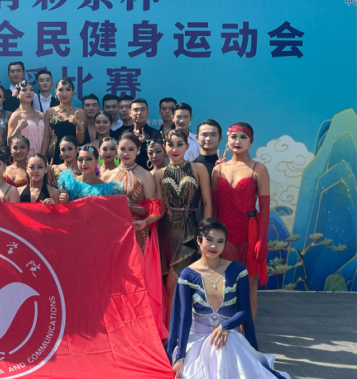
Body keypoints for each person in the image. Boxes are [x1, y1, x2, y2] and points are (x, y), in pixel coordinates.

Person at [146, 218, 301, 379]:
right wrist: (180, 356)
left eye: (220, 241)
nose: (214, 246)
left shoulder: (237, 270)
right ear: (199, 240)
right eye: (209, 240)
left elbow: (244, 311)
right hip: (198, 341)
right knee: (216, 349)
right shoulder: (187, 274)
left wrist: (225, 326)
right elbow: (184, 317)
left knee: (227, 344)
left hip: (229, 337)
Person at [112, 133, 168, 339]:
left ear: (138, 151)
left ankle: (141, 330)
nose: (126, 153)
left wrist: (133, 210)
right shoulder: (107, 174)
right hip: (113, 236)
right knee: (116, 281)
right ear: (117, 149)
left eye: (131, 149)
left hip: (138, 232)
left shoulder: (145, 176)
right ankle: (119, 328)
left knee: (137, 280)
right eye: (122, 149)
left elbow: (155, 211)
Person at [212, 122, 270, 320]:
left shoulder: (258, 168)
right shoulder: (218, 170)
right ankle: (225, 330)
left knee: (248, 285)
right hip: (223, 235)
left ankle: (247, 333)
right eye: (234, 137)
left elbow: (265, 208)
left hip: (248, 233)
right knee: (224, 285)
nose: (238, 141)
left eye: (243, 137)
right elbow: (214, 208)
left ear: (250, 142)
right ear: (227, 141)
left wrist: (262, 239)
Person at [155, 130, 212, 322]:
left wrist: (206, 236)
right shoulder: (159, 174)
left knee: (175, 284)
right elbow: (159, 208)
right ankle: (167, 330)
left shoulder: (198, 169)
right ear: (165, 147)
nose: (175, 148)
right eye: (170, 144)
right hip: (165, 233)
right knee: (165, 285)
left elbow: (207, 203)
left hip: (189, 232)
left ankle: (176, 332)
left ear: (187, 146)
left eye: (180, 144)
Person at [44, 79, 86, 164]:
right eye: (61, 90)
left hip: (73, 157)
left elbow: (80, 141)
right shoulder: (50, 112)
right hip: (54, 156)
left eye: (68, 89)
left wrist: (77, 125)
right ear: (56, 91)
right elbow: (46, 138)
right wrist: (42, 157)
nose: (64, 93)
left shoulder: (80, 113)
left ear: (73, 92)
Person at [7, 79, 47, 157]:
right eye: (24, 90)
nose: (28, 92)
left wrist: (42, 157)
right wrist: (18, 128)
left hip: (43, 159)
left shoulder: (41, 115)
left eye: (31, 90)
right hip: (25, 159)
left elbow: (47, 138)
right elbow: (9, 142)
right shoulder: (16, 116)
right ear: (17, 94)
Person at [124, 98, 163, 171]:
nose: (139, 113)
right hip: (127, 172)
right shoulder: (125, 134)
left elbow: (157, 157)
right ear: (130, 113)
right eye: (136, 110)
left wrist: (144, 144)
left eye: (142, 110)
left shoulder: (155, 134)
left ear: (147, 112)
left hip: (148, 173)